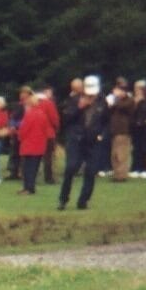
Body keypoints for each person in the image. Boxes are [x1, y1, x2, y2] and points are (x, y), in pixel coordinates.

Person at [59, 75, 109, 210]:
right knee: (71, 168)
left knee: (91, 171)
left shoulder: (102, 102)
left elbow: (106, 121)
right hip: (76, 139)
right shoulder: (74, 100)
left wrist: (102, 135)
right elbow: (65, 119)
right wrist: (79, 108)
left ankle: (83, 200)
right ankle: (63, 199)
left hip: (93, 141)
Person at [16, 90, 50, 194]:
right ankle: (30, 187)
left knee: (27, 168)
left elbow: (24, 129)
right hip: (39, 144)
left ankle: (28, 188)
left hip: (29, 144)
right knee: (34, 167)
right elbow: (46, 129)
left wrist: (20, 137)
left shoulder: (30, 114)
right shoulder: (42, 114)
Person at [108, 78, 136, 181]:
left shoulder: (129, 101)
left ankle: (122, 175)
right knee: (114, 154)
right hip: (115, 130)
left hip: (124, 130)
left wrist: (115, 99)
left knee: (122, 154)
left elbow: (121, 107)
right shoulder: (117, 101)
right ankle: (117, 174)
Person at [132, 81, 146, 178]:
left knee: (145, 149)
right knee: (136, 148)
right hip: (136, 127)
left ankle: (145, 169)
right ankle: (136, 168)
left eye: (138, 89)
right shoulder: (134, 100)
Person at [38, 85, 60, 184]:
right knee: (48, 157)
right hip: (48, 133)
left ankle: (31, 176)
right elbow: (54, 118)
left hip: (36, 133)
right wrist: (57, 127)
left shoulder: (33, 103)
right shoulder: (48, 103)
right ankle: (49, 177)